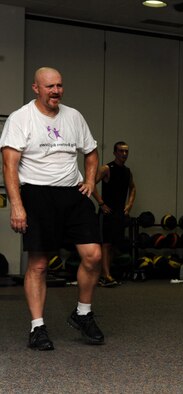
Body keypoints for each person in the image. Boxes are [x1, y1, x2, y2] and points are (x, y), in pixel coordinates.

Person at [0, 67, 105, 351]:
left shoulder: (74, 116)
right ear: (36, 88)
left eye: (59, 86)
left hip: (72, 193)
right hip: (36, 194)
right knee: (39, 264)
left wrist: (91, 180)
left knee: (93, 255)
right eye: (49, 87)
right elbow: (9, 166)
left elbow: (91, 152)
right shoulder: (21, 118)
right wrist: (17, 206)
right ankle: (38, 328)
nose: (56, 91)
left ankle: (83, 313)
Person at [93, 141, 136, 287]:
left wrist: (129, 205)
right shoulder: (106, 169)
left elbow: (133, 188)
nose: (124, 154)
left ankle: (106, 274)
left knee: (112, 245)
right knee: (105, 244)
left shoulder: (127, 171)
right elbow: (91, 184)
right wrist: (101, 203)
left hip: (119, 213)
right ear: (115, 152)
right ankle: (105, 275)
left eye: (126, 151)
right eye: (121, 151)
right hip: (107, 213)